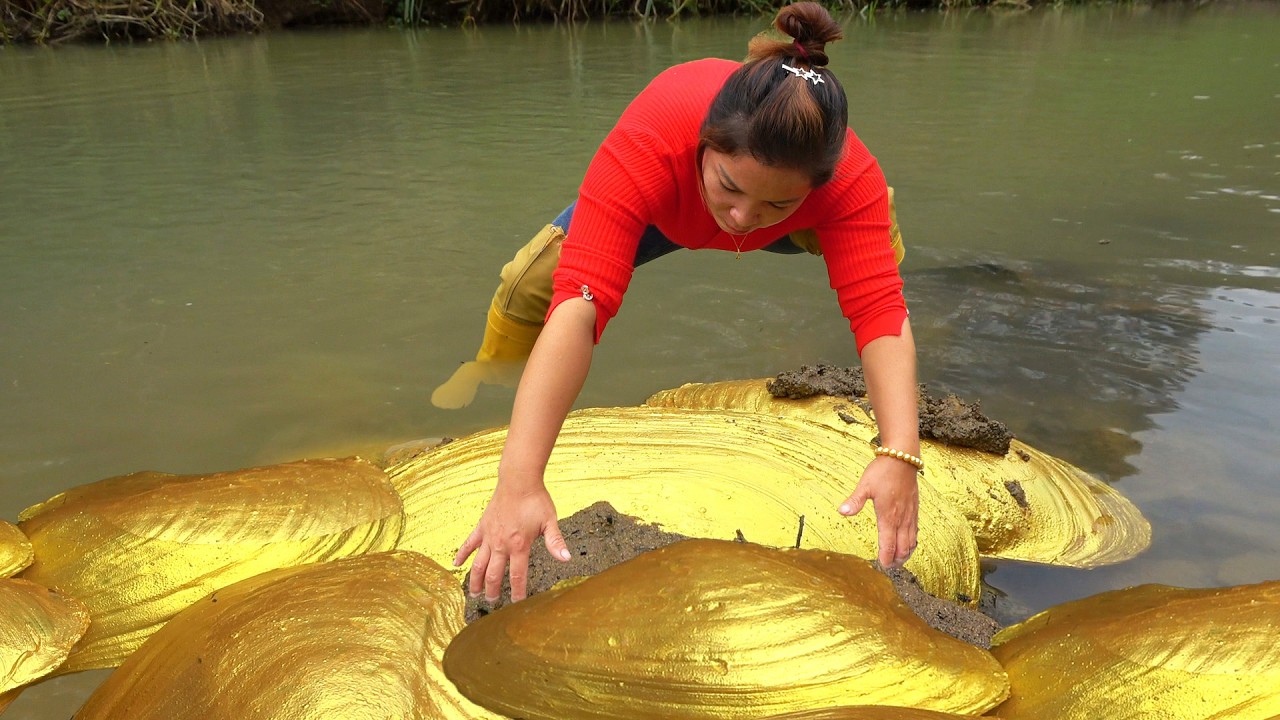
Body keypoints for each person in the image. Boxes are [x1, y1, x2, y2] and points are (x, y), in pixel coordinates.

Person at [446, 1, 921, 605]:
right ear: (703, 144)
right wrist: (519, 480)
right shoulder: (655, 131)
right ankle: (495, 381)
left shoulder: (849, 182)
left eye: (773, 202)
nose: (742, 219)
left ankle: (890, 359)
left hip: (805, 227)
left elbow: (878, 314)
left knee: (880, 267)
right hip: (667, 207)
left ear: (817, 185)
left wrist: (899, 450)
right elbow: (581, 305)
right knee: (529, 281)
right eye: (731, 186)